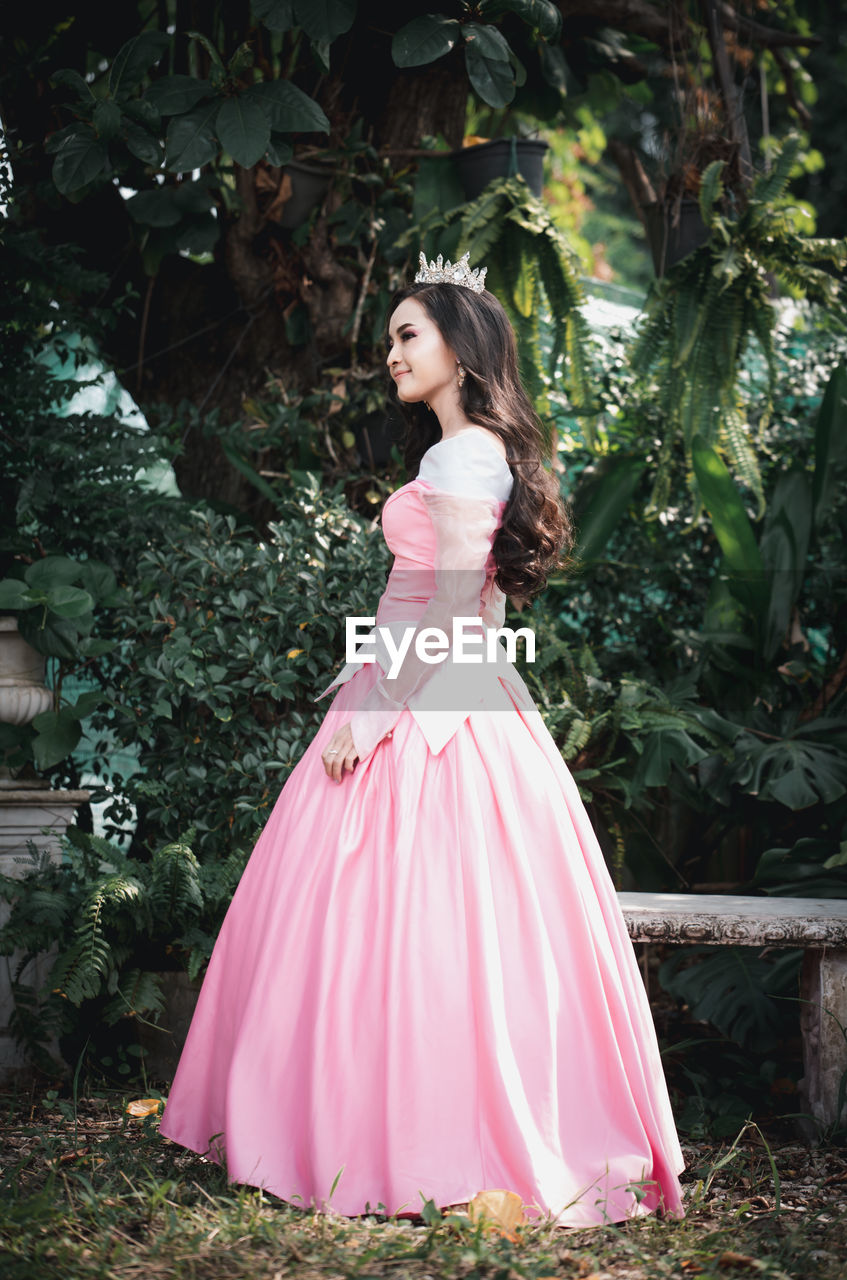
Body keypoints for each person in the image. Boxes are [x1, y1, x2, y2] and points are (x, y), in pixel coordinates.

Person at [159, 251, 686, 1228]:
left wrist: (369, 711)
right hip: (437, 681)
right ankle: (377, 1126)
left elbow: (448, 607)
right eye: (391, 337)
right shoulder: (470, 450)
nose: (391, 353)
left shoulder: (459, 456)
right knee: (411, 926)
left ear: (459, 343)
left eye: (407, 334)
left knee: (413, 921)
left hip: (429, 698)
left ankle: (389, 1136)